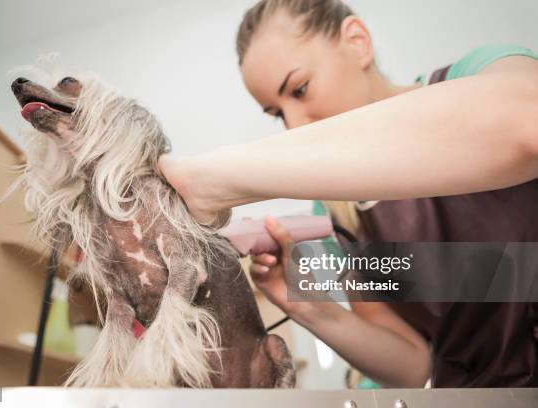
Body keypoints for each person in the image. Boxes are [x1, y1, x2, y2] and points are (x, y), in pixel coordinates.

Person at [158, 0, 538, 387]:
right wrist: (312, 310)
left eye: (300, 89)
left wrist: (221, 178)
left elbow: (527, 125)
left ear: (358, 41)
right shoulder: (336, 214)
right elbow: (417, 366)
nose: (293, 126)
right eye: (276, 113)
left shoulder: (477, 75)